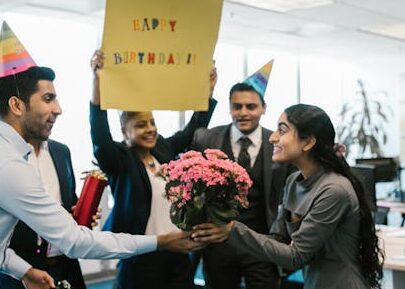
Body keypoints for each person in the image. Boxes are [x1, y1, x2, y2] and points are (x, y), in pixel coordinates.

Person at [0, 65, 204, 289]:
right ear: (17, 105)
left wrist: (22, 270)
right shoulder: (8, 164)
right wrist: (161, 241)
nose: (58, 108)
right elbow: (76, 242)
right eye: (48, 98)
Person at [193, 104, 384, 289]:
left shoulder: (334, 190)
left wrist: (233, 230)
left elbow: (296, 256)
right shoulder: (293, 181)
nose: (272, 138)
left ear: (308, 141)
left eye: (282, 131)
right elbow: (278, 241)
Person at [89, 50, 217, 289]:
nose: (150, 129)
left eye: (152, 122)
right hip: (141, 258)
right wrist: (97, 80)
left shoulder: (163, 149)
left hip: (178, 254)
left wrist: (207, 92)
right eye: (140, 125)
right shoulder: (118, 160)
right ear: (125, 131)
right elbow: (99, 132)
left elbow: (194, 128)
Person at [191, 61, 293, 289]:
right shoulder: (206, 139)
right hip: (218, 245)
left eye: (251, 106)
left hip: (263, 242)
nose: (243, 113)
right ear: (229, 108)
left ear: (263, 108)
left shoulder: (279, 143)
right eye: (237, 106)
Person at [0, 136, 90, 289]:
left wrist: (82, 213)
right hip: (19, 273)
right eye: (49, 109)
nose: (57, 110)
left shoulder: (61, 151)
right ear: (19, 110)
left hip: (65, 266)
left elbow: (70, 200)